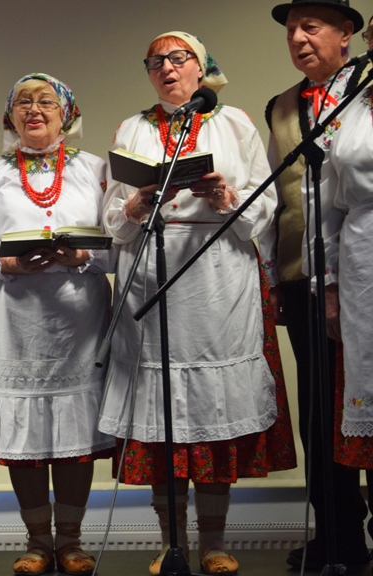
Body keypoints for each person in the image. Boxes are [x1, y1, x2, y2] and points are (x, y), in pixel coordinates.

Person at [98, 32, 296, 576]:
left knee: (211, 414)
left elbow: (266, 203)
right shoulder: (132, 128)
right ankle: (172, 545)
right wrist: (135, 205)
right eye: (155, 61)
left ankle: (213, 541)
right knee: (162, 417)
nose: (166, 68)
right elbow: (111, 219)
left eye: (178, 58)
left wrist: (227, 197)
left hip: (217, 278)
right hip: (151, 275)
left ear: (201, 67)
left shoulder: (236, 124)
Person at [0, 73, 113, 576]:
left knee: (74, 435)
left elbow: (120, 240)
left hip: (76, 321)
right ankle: (38, 541)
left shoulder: (95, 169)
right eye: (23, 102)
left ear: (67, 114)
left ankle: (71, 541)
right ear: (10, 115)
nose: (34, 109)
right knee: (23, 437)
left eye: (46, 101)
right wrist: (7, 263)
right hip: (10, 320)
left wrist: (83, 255)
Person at [262, 0, 371, 569]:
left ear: (346, 32)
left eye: (311, 27)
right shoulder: (281, 106)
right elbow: (278, 196)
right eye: (291, 30)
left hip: (363, 270)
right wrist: (277, 278)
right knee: (318, 412)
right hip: (304, 278)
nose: (299, 39)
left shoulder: (369, 86)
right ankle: (336, 535)